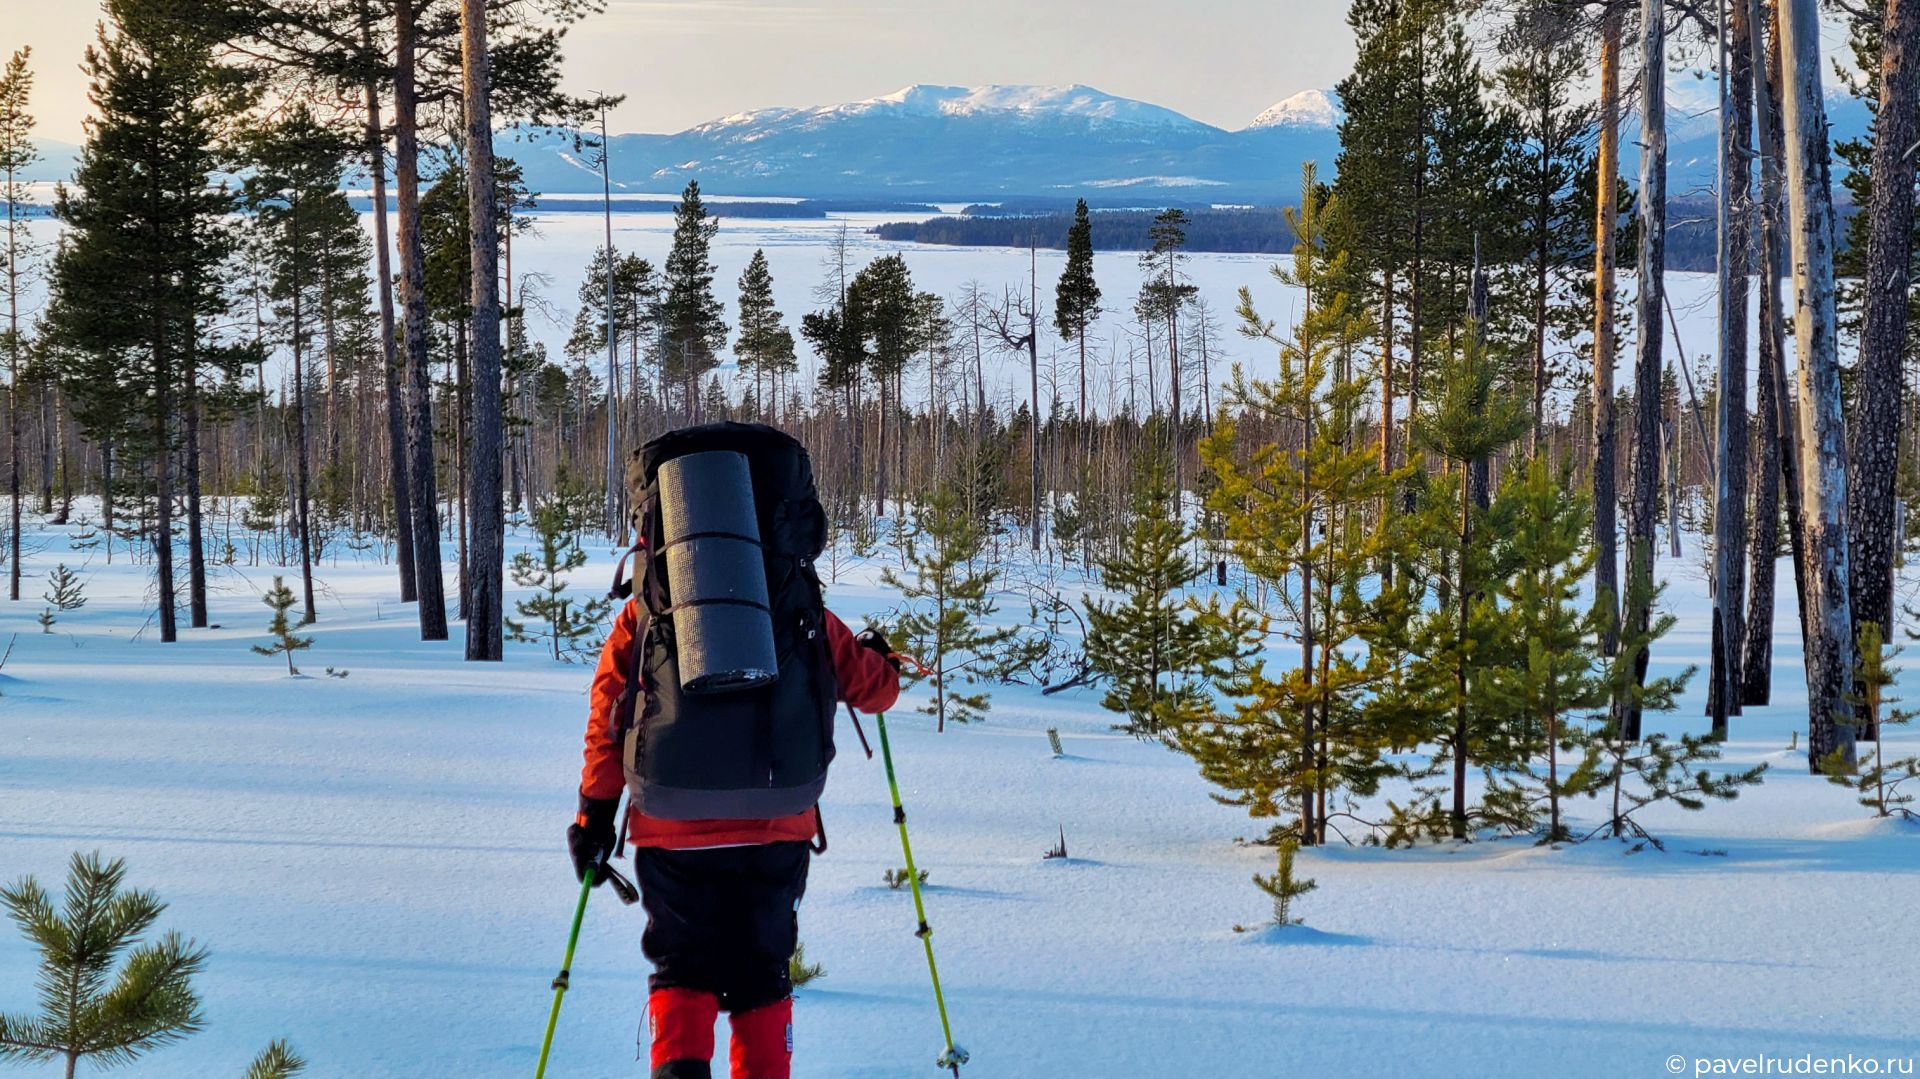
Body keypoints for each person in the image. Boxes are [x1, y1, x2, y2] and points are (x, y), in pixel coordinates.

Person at [569, 591, 901, 1079]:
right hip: (774, 823)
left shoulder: (650, 599)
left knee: (681, 968)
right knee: (761, 974)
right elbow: (877, 692)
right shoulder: (790, 591)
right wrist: (879, 658)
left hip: (671, 823)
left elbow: (610, 710)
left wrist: (594, 816)